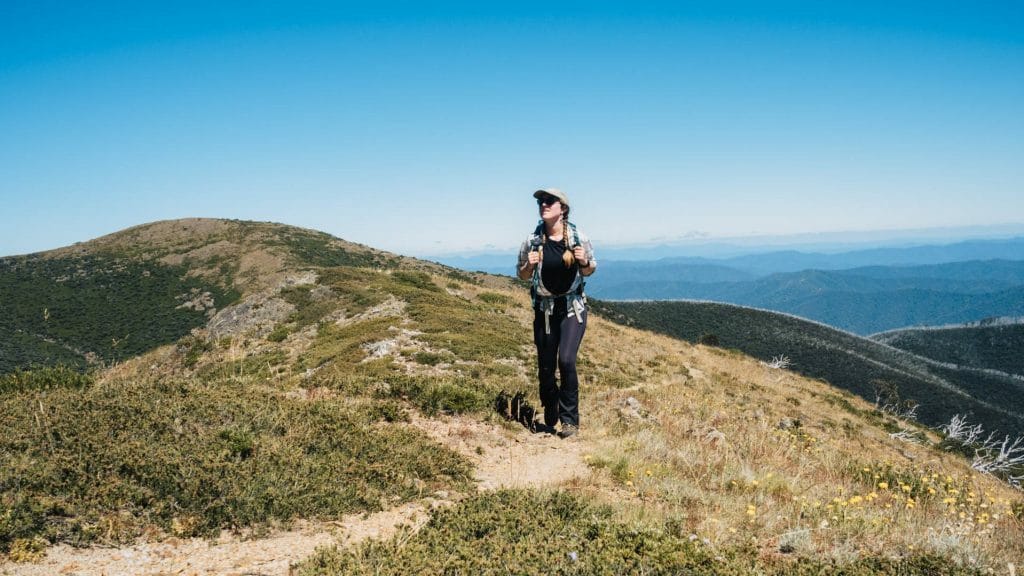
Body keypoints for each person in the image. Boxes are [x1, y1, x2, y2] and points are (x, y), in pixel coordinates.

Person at [517, 188, 596, 438]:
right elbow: (522, 275)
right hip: (545, 311)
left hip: (572, 308)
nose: (544, 204)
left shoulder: (578, 238)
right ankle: (550, 404)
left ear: (563, 208)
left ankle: (569, 420)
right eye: (541, 201)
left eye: (550, 201)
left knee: (567, 360)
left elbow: (589, 270)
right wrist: (529, 265)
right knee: (546, 367)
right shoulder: (532, 240)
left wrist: (584, 261)